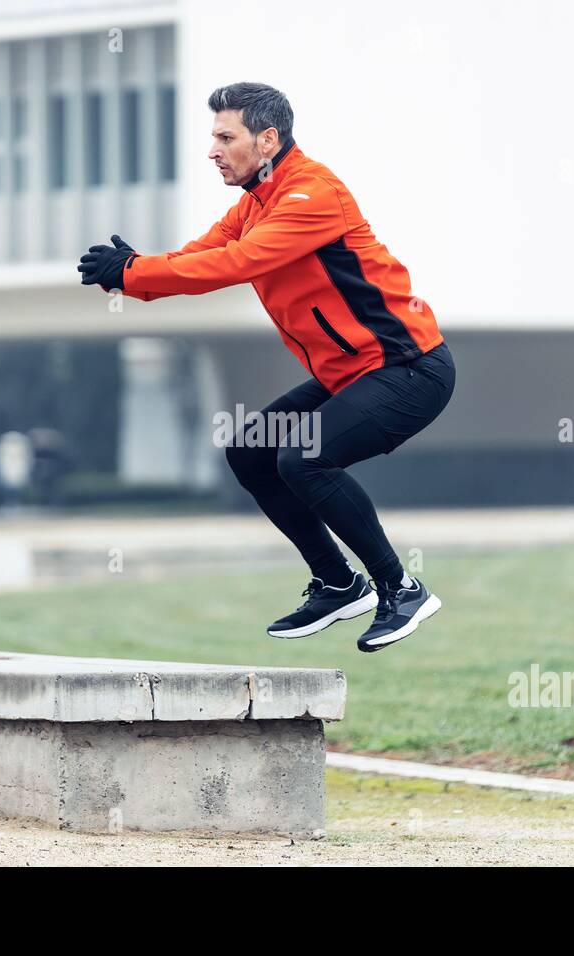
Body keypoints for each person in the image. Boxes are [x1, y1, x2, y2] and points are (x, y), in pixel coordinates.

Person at [78, 82, 454, 652]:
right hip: (349, 375)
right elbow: (198, 255)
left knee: (304, 458)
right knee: (250, 450)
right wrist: (131, 270)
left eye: (226, 137)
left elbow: (235, 263)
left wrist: (134, 274)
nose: (213, 150)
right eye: (214, 138)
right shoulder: (254, 203)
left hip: (408, 369)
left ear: (268, 138)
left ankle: (400, 588)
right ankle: (337, 583)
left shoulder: (312, 195)